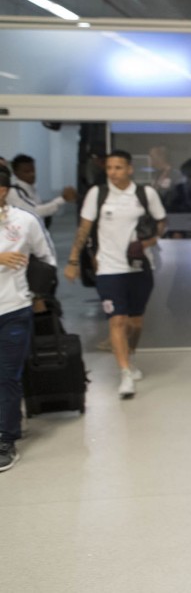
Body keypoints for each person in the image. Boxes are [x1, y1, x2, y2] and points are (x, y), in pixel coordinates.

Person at [63, 150, 167, 400]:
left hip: (140, 266)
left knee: (135, 322)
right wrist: (73, 260)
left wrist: (147, 242)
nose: (113, 172)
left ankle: (129, 358)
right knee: (117, 320)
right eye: (109, 168)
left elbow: (162, 223)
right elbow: (84, 229)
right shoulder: (97, 195)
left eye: (118, 167)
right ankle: (125, 374)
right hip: (109, 268)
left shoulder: (145, 194)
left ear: (129, 169)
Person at [0, 169, 57, 472]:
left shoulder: (24, 221)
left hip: (13, 310)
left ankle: (6, 438)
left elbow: (46, 258)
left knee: (7, 376)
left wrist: (37, 294)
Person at [7, 154, 78, 228]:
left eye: (33, 170)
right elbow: (35, 211)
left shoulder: (30, 188)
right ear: (16, 173)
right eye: (26, 172)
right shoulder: (14, 192)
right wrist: (63, 199)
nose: (32, 174)